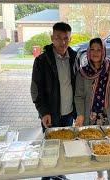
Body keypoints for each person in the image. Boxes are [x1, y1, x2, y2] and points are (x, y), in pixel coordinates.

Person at [74, 37, 110, 180]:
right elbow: (79, 96)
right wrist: (80, 115)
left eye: (99, 49)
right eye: (92, 49)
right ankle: (100, 176)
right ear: (88, 51)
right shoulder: (82, 72)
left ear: (104, 51)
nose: (95, 52)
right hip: (90, 118)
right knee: (95, 148)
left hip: (109, 118)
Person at [30, 22, 76, 180]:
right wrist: (43, 113)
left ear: (70, 39)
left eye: (66, 38)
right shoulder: (42, 61)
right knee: (49, 149)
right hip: (50, 115)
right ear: (52, 38)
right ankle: (47, 176)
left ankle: (59, 174)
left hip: (68, 113)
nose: (62, 42)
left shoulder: (74, 58)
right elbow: (36, 90)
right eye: (58, 38)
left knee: (64, 147)